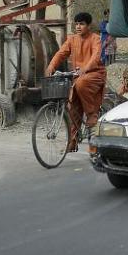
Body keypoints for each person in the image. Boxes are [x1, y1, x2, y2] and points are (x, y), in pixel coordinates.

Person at [45, 12, 107, 151]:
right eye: (77, 24)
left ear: (88, 26)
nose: (78, 26)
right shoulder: (72, 39)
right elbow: (61, 53)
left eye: (82, 24)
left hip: (95, 74)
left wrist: (86, 68)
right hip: (78, 75)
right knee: (72, 107)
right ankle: (72, 142)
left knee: (80, 84)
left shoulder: (95, 38)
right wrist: (51, 66)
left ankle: (92, 116)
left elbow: (96, 56)